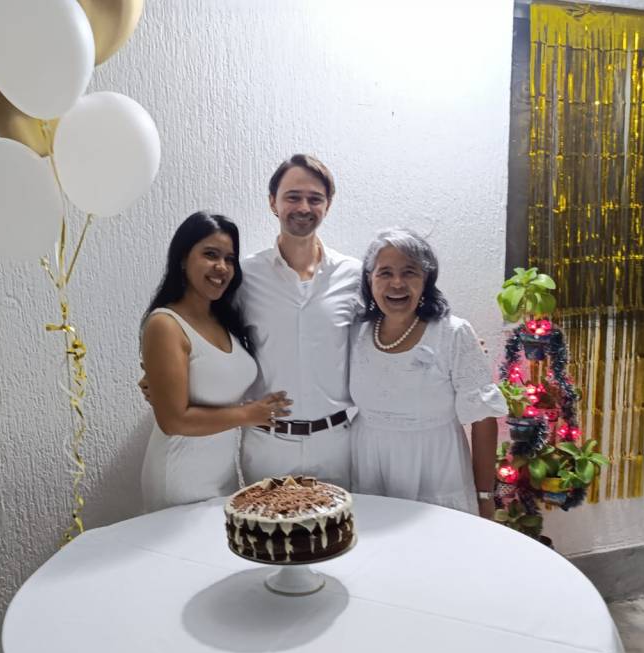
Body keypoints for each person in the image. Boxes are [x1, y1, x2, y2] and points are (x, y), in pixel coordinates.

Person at [140, 212, 292, 511]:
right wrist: (249, 414)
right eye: (210, 255)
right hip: (180, 475)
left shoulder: (223, 319)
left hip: (221, 472)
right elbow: (173, 421)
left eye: (230, 259)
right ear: (183, 259)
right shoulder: (165, 324)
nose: (222, 267)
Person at [349, 228, 506, 517]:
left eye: (409, 272)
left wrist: (485, 495)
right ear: (370, 279)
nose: (397, 283)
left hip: (438, 470)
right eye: (385, 273)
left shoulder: (453, 333)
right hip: (371, 469)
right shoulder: (354, 334)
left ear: (426, 279)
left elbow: (483, 419)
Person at [237, 155, 361, 488]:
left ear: (327, 205)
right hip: (268, 444)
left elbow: (385, 330)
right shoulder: (245, 275)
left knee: (341, 524)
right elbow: (210, 334)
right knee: (263, 523)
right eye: (293, 197)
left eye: (315, 198)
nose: (304, 207)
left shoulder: (354, 275)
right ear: (273, 202)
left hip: (336, 444)